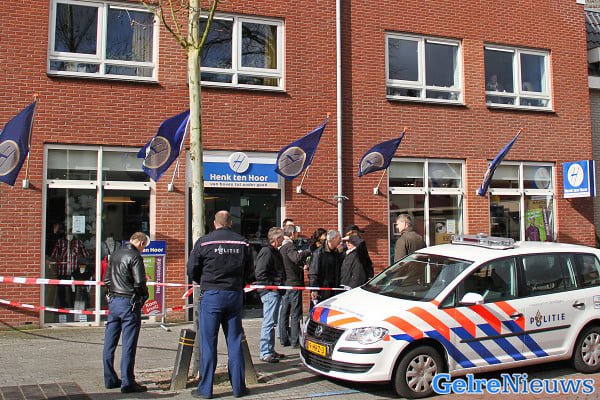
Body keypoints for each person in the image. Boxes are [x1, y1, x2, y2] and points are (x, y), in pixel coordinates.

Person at [186, 211, 253, 399]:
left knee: (208, 343)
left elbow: (191, 269)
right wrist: (239, 283)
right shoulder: (242, 243)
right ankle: (238, 388)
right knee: (235, 342)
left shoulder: (204, 242)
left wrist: (205, 281)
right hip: (234, 294)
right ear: (230, 223)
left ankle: (205, 389)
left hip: (211, 295)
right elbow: (250, 272)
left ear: (214, 223)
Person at [102, 232, 150, 394]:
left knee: (109, 343)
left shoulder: (116, 254)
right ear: (141, 243)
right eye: (144, 247)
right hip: (129, 302)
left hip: (114, 301)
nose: (143, 250)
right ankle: (128, 381)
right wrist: (144, 296)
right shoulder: (135, 256)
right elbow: (139, 282)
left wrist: (110, 295)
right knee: (128, 344)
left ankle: (109, 379)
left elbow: (107, 280)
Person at [255, 227, 286, 363]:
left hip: (274, 291)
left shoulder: (274, 251)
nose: (283, 240)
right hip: (269, 292)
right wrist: (271, 286)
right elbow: (260, 272)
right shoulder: (267, 251)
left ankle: (270, 349)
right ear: (277, 238)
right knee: (268, 322)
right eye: (282, 237)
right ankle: (265, 352)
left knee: (271, 322)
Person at [279, 224, 311, 348]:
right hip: (293, 283)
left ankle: (283, 339)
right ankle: (295, 340)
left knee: (284, 312)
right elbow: (296, 258)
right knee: (295, 312)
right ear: (292, 234)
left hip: (285, 283)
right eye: (296, 233)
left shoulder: (282, 247)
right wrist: (307, 251)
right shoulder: (290, 246)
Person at [309, 230, 343, 308]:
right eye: (339, 238)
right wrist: (314, 289)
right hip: (322, 290)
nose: (340, 241)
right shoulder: (319, 253)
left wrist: (340, 254)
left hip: (335, 288)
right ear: (332, 239)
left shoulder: (337, 252)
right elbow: (313, 272)